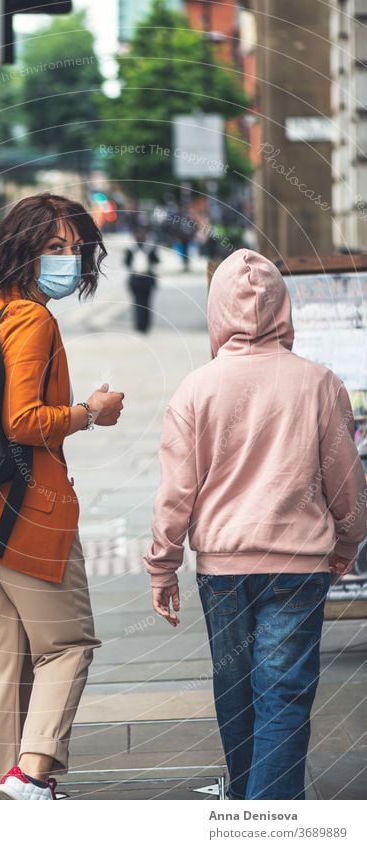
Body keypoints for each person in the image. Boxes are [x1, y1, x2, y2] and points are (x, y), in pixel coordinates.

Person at [143, 249, 367, 800]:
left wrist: (163, 566)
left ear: (218, 310)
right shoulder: (319, 384)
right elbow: (346, 481)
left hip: (222, 569)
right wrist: (347, 540)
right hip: (297, 566)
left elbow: (177, 492)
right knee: (285, 697)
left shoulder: (197, 388)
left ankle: (249, 803)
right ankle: (266, 817)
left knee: (235, 689)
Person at [0, 192, 125, 800]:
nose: (68, 258)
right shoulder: (33, 319)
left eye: (74, 248)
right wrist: (90, 412)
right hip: (21, 519)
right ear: (24, 251)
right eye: (54, 247)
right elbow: (21, 420)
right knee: (67, 646)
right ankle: (32, 777)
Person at [124, 228, 159, 333]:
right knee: (145, 303)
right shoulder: (150, 247)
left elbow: (126, 262)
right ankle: (144, 325)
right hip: (146, 278)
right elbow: (156, 261)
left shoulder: (131, 248)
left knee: (139, 303)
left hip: (136, 278)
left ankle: (140, 325)